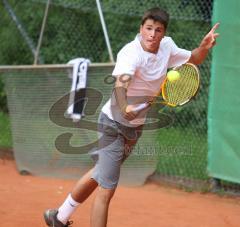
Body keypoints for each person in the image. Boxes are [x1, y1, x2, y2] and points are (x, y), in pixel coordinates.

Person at [44, 7, 219, 227]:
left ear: (163, 33)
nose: (152, 34)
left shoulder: (167, 47)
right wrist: (124, 105)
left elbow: (193, 59)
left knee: (100, 173)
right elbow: (121, 83)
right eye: (148, 28)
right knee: (107, 189)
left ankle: (58, 217)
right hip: (112, 125)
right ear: (141, 28)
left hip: (135, 128)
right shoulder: (130, 53)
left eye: (158, 30)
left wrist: (203, 47)